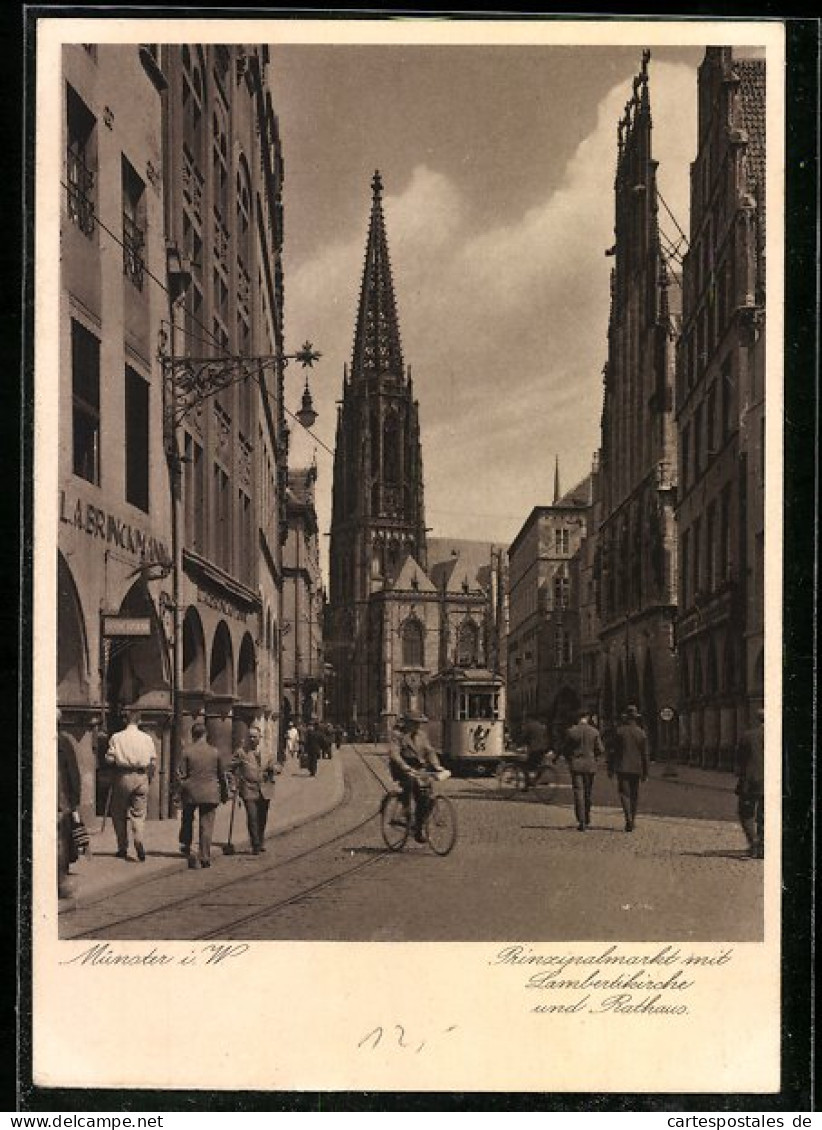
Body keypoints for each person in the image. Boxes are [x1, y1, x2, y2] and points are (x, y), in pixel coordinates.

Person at [105, 707, 156, 861]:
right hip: (141, 776)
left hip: (123, 776)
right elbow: (153, 761)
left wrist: (110, 761)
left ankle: (122, 847)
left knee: (118, 813)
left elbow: (110, 759)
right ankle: (138, 839)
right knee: (139, 813)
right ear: (139, 721)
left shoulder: (117, 737)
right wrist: (149, 777)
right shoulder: (147, 739)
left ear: (125, 720)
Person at [177, 721, 229, 869]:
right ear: (206, 735)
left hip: (191, 792)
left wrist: (182, 789)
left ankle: (186, 845)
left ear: (193, 735)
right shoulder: (215, 752)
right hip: (210, 793)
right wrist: (225, 793)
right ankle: (204, 855)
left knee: (187, 818)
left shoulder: (187, 751)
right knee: (206, 825)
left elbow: (180, 774)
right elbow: (222, 775)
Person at [388, 710, 445, 842]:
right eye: (414, 723)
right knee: (410, 782)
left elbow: (430, 751)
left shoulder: (422, 735)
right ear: (407, 723)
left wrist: (437, 766)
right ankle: (404, 811)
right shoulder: (398, 735)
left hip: (418, 766)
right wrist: (405, 767)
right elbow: (394, 754)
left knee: (426, 794)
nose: (417, 726)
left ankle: (419, 827)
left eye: (419, 723)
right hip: (401, 767)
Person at [232, 723, 281, 854]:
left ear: (260, 737)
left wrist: (275, 768)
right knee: (252, 817)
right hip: (248, 788)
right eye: (250, 737)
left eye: (255, 737)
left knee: (262, 817)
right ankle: (255, 844)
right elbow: (230, 768)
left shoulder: (268, 751)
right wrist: (233, 783)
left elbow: (276, 765)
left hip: (265, 788)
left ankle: (260, 839)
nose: (252, 739)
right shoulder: (241, 752)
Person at [607, 704, 649, 832]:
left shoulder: (619, 731)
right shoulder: (641, 733)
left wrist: (610, 768)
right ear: (636, 718)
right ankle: (633, 820)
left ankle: (628, 820)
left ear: (626, 717)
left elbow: (613, 752)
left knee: (625, 794)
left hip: (622, 768)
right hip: (636, 769)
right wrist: (645, 772)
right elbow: (645, 755)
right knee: (634, 795)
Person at [561, 710, 604, 831]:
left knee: (578, 792)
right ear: (587, 717)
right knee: (588, 792)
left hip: (576, 765)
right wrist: (594, 757)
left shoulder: (571, 731)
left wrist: (569, 759)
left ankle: (582, 821)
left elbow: (565, 748)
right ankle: (587, 815)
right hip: (590, 766)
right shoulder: (594, 731)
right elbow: (600, 749)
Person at [57, 710, 82, 899]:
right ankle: (60, 879)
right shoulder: (63, 742)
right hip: (60, 798)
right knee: (62, 839)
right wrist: (75, 800)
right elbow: (73, 773)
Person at [736, 707, 765, 858]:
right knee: (765, 814)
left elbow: (740, 760)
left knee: (745, 813)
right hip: (772, 782)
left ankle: (754, 843)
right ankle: (763, 846)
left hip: (751, 781)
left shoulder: (748, 736)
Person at [518, 714, 550, 789]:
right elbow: (546, 738)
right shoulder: (542, 726)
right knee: (541, 766)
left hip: (534, 750)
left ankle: (527, 784)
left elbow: (524, 737)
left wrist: (519, 744)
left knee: (524, 766)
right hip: (542, 750)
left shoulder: (529, 726)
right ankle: (535, 780)